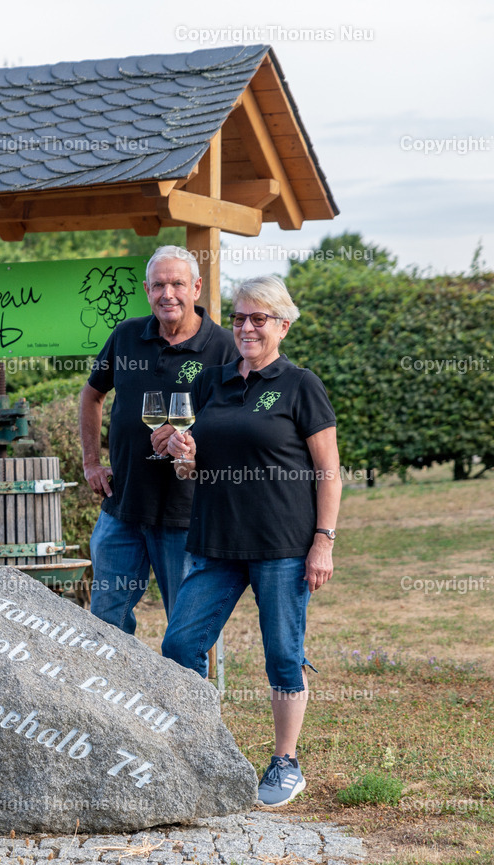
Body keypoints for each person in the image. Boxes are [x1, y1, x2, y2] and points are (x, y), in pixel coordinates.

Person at [162, 274, 341, 807]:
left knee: (283, 655)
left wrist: (323, 541)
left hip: (283, 545)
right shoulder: (210, 382)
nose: (246, 327)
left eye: (258, 319)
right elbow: (188, 470)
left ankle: (286, 762)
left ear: (282, 325)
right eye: (239, 318)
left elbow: (328, 470)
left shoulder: (301, 384)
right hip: (214, 541)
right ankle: (197, 748)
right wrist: (184, 459)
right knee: (178, 645)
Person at [79, 246, 238, 633]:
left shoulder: (223, 347)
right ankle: (110, 693)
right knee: (105, 624)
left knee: (185, 630)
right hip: (123, 506)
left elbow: (237, 423)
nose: (168, 294)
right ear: (147, 290)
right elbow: (91, 395)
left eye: (178, 284)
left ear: (196, 288)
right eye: (159, 285)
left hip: (187, 515)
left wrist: (189, 438)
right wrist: (91, 462)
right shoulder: (127, 335)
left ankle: (190, 695)